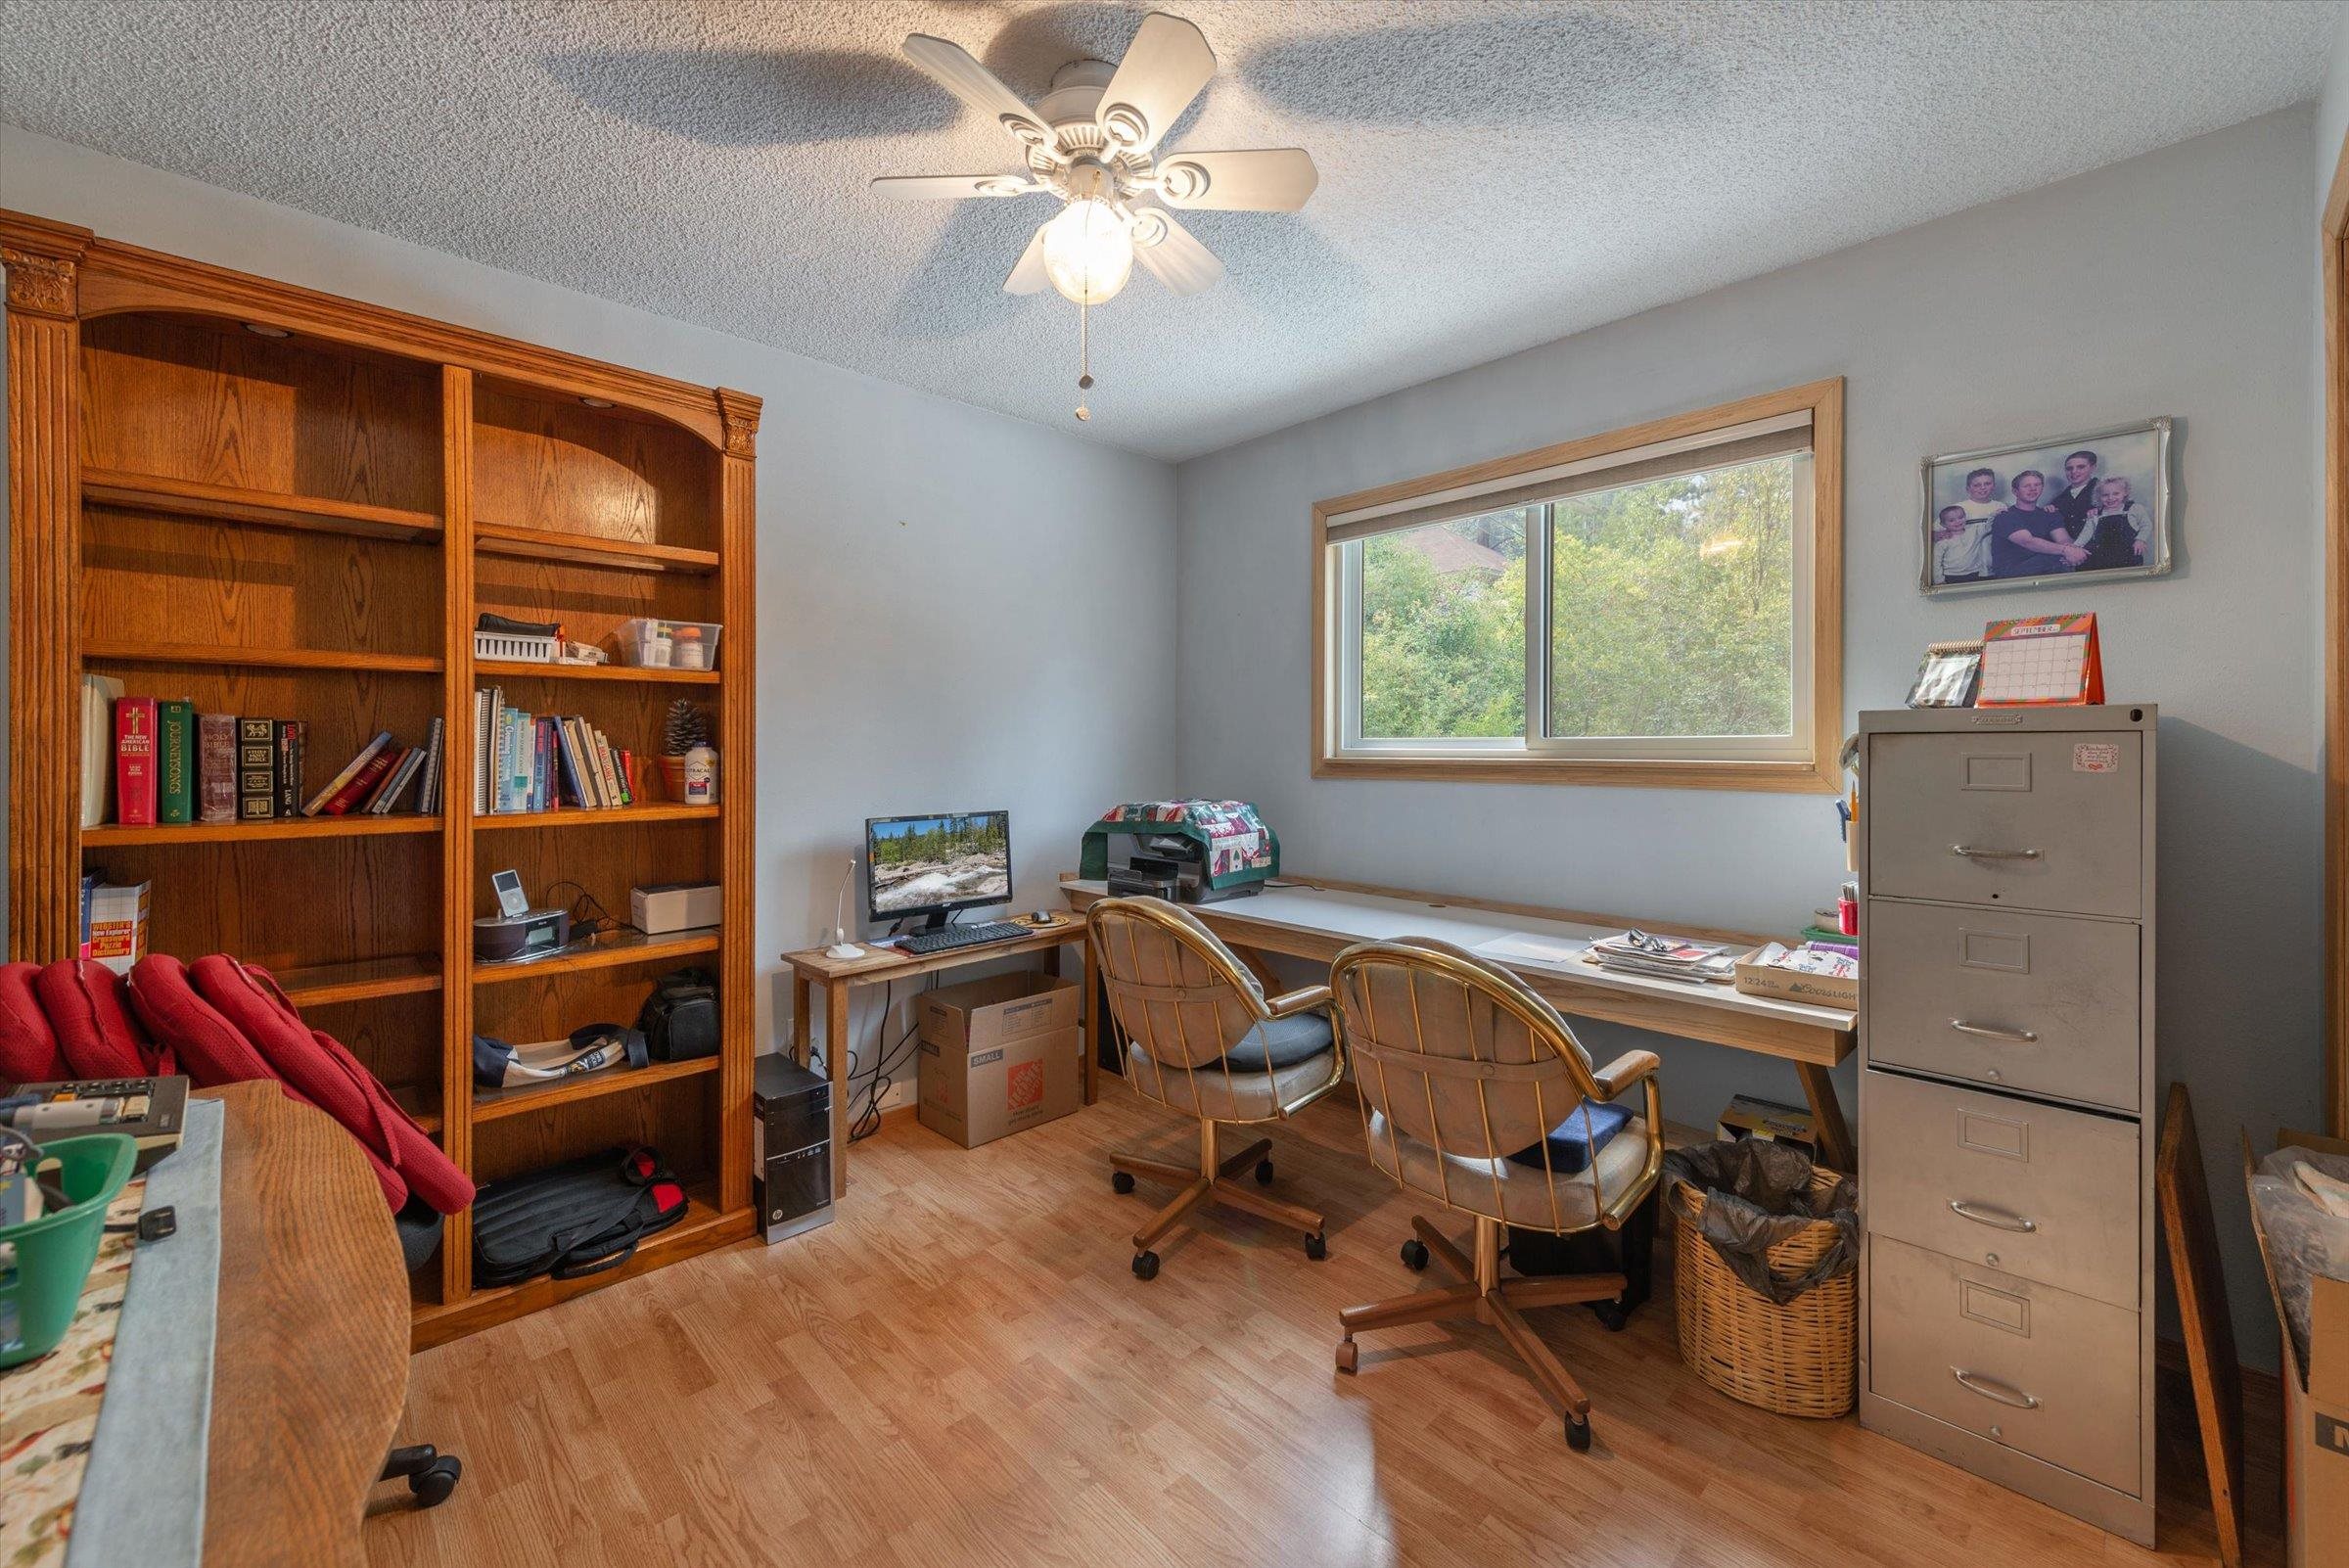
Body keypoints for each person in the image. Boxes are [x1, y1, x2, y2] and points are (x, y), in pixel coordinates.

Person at [1989, 469, 2083, 577]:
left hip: (2044, 568)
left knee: (2064, 558)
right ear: (2015, 491)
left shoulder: (2050, 514)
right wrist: (2066, 551)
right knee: (2058, 558)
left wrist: (2074, 551)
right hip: (2011, 573)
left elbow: (2063, 539)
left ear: (2042, 488)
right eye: (2027, 486)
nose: (2033, 489)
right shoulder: (2005, 516)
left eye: (2037, 485)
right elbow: (2028, 541)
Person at [2073, 475, 2150, 571]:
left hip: (2128, 556)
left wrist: (2140, 540)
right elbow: (2086, 533)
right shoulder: (2096, 514)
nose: (2110, 498)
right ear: (2099, 496)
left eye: (2116, 494)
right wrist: (2075, 547)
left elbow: (2146, 525)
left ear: (2125, 493)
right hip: (2100, 558)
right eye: (2105, 495)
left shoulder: (2134, 508)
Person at [1932, 502, 1992, 583]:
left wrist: (1995, 515)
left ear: (1965, 517)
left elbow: (1988, 527)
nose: (1958, 521)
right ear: (1943, 524)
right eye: (1951, 520)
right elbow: (1936, 562)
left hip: (1975, 573)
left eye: (1961, 517)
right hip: (1951, 575)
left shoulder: (1974, 532)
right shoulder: (1943, 540)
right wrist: (1939, 580)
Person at [2048, 449, 2099, 534]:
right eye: (2069, 468)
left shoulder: (2105, 492)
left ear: (2093, 468)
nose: (2074, 471)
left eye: (2081, 467)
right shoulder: (2059, 499)